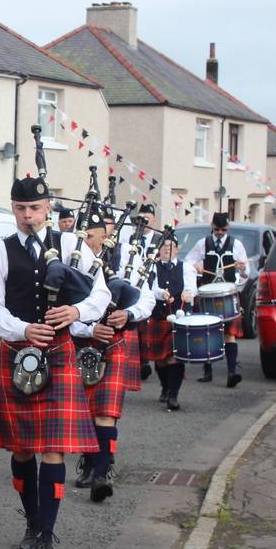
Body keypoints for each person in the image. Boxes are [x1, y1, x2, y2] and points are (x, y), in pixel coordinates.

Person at [0, 177, 110, 549]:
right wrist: (22, 329)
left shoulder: (72, 247)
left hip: (59, 354)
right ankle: (33, 522)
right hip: (18, 354)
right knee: (21, 448)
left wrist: (76, 312)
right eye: (20, 209)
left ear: (48, 207)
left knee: (53, 449)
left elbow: (99, 293)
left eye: (34, 209)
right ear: (13, 209)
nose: (27, 216)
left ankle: (47, 539)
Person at [70, 209, 154, 502]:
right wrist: (88, 329)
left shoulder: (127, 259)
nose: (90, 243)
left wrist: (127, 314)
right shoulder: (73, 262)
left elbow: (147, 297)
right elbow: (59, 309)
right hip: (80, 343)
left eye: (95, 237)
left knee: (106, 412)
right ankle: (90, 462)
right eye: (87, 237)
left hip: (115, 343)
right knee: (84, 412)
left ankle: (102, 473)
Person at [184, 212, 248, 387]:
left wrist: (242, 269)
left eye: (223, 229)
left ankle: (232, 372)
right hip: (206, 293)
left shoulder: (236, 244)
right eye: (217, 229)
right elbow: (188, 261)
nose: (220, 232)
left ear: (229, 227)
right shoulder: (202, 243)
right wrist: (195, 265)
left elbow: (245, 272)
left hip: (227, 293)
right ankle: (208, 371)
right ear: (212, 225)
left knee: (229, 334)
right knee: (208, 331)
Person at [143, 235, 197, 410]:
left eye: (171, 246)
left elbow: (191, 287)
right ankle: (165, 386)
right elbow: (151, 288)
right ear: (159, 249)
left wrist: (188, 294)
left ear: (177, 249)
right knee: (160, 360)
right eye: (164, 246)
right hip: (159, 317)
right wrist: (161, 293)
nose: (168, 249)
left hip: (180, 319)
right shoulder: (152, 266)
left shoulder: (186, 267)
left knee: (175, 357)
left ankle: (173, 395)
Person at [119, 203, 159, 381]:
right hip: (134, 282)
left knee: (149, 327)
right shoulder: (129, 239)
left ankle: (147, 359)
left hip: (151, 283)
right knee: (137, 327)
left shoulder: (160, 238)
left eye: (147, 219)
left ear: (153, 219)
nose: (143, 223)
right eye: (140, 220)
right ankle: (142, 361)